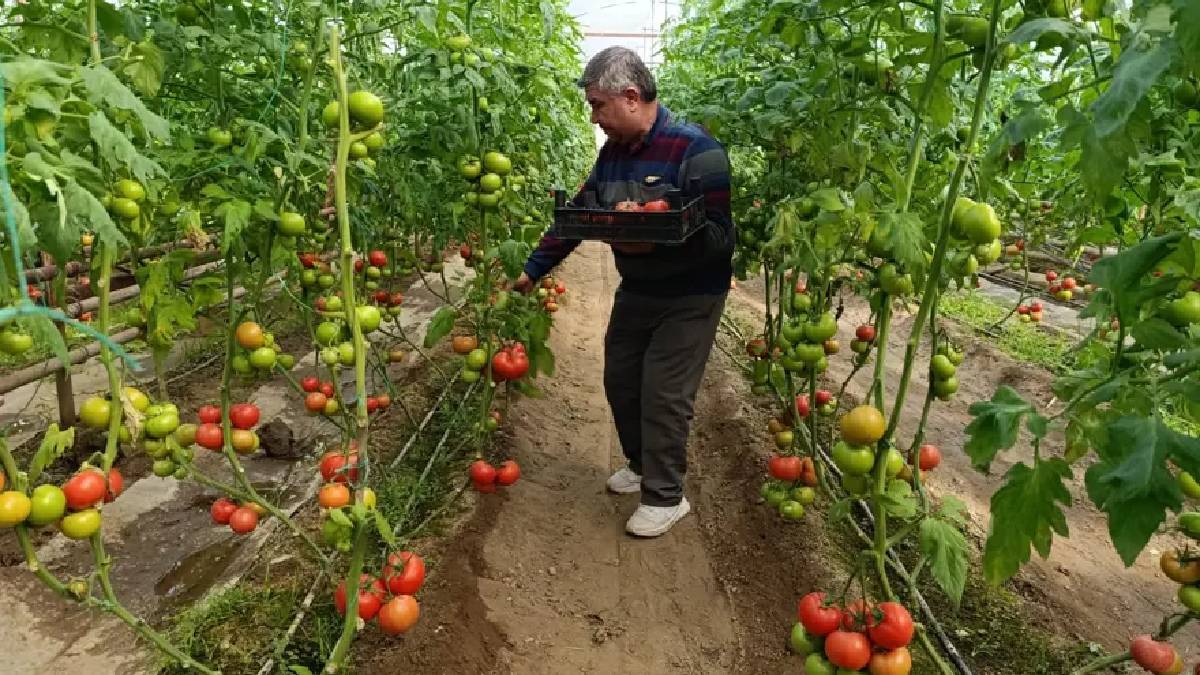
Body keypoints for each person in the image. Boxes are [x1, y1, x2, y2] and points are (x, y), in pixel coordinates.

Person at [513, 46, 735, 537]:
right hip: (638, 289)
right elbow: (578, 211)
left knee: (665, 391)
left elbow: (722, 239)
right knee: (620, 379)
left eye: (598, 105)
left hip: (691, 296)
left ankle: (666, 495)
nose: (595, 118)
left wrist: (661, 238)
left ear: (630, 96)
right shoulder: (612, 155)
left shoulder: (697, 150)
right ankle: (640, 463)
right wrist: (534, 268)